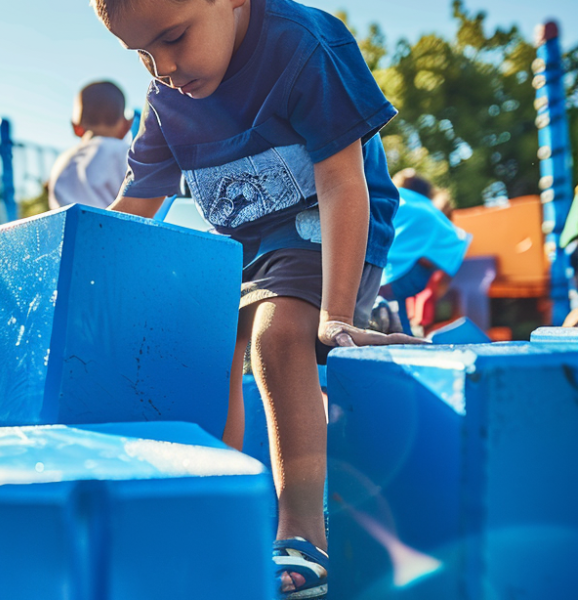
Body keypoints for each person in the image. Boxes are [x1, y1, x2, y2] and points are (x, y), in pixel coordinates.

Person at [89, 0, 422, 596]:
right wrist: (75, 269)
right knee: (201, 347)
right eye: (142, 54)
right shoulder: (167, 101)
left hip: (327, 228)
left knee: (277, 335)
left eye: (173, 37)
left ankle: (303, 532)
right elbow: (132, 210)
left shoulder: (300, 45)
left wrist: (337, 314)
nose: (162, 67)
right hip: (244, 246)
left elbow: (343, 182)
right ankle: (217, 501)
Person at [383, 169, 471, 333]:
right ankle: (403, 337)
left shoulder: (394, 200)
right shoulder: (427, 209)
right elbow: (457, 240)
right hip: (411, 273)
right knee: (395, 308)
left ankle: (401, 338)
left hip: (390, 272)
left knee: (389, 303)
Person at [48, 81, 133, 210]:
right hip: (111, 228)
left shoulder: (61, 162)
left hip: (68, 229)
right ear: (126, 126)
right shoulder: (127, 153)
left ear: (75, 127)